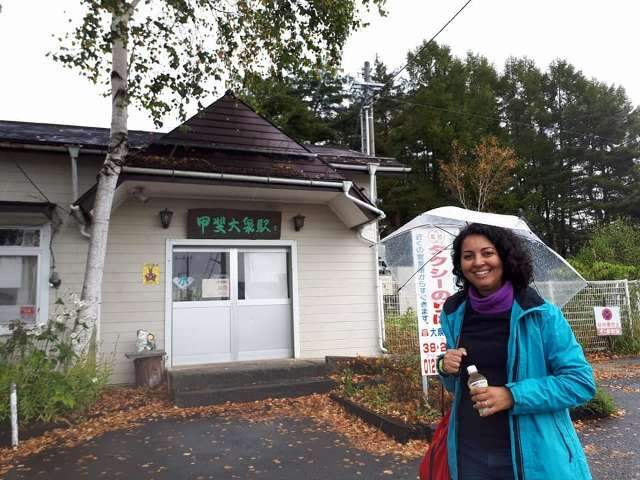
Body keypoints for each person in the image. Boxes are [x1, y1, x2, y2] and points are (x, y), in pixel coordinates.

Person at [436, 223, 595, 480]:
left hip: (532, 455)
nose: (478, 262)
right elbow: (457, 387)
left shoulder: (542, 316)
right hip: (469, 454)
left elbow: (580, 383)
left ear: (505, 257)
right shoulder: (454, 312)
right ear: (460, 264)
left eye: (487, 253)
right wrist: (445, 366)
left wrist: (512, 395)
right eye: (468, 256)